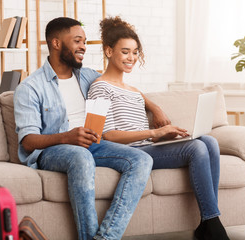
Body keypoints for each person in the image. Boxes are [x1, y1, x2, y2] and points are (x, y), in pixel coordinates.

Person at [13, 17, 168, 240]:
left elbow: (121, 86)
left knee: (142, 160)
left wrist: (155, 107)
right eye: (77, 41)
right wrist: (66, 137)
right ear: (56, 44)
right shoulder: (30, 87)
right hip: (55, 150)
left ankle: (105, 237)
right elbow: (28, 141)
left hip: (93, 144)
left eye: (84, 41)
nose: (84, 46)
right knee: (80, 157)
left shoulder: (87, 76)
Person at [87, 16, 230, 240]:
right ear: (108, 51)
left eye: (135, 52)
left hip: (147, 146)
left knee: (209, 141)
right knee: (196, 149)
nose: (131, 58)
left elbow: (145, 130)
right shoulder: (99, 88)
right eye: (125, 52)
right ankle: (212, 225)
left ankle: (208, 222)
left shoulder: (133, 90)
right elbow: (107, 136)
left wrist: (165, 130)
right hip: (132, 153)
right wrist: (156, 133)